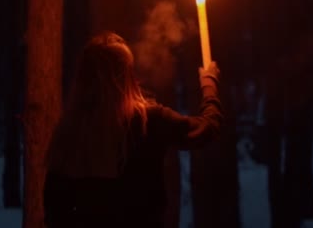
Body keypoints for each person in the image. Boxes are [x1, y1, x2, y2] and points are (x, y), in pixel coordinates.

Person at [44, 32, 223, 228]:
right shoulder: (148, 121)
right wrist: (209, 85)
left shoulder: (69, 132)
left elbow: (54, 209)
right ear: (127, 74)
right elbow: (207, 128)